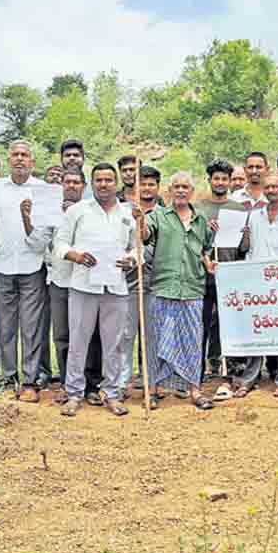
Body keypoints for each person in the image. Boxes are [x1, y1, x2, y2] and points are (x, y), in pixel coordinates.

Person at [55, 163, 139, 417]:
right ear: (92, 184)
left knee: (114, 343)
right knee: (78, 341)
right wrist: (76, 256)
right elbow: (59, 244)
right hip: (83, 285)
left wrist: (132, 260)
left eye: (108, 180)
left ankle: (112, 393)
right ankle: (74, 394)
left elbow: (137, 247)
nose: (103, 184)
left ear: (116, 183)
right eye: (99, 180)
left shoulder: (128, 213)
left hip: (116, 286)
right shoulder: (78, 211)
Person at [139, 172, 216, 410]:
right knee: (158, 340)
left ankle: (195, 390)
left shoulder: (201, 220)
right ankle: (152, 390)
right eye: (177, 187)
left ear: (192, 192)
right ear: (169, 191)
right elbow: (144, 237)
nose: (181, 190)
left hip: (193, 287)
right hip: (164, 286)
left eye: (185, 187)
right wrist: (139, 221)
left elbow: (205, 249)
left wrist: (209, 264)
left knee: (192, 340)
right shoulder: (158, 216)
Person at [0, 140, 53, 403]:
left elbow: (45, 236)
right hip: (2, 265)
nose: (20, 159)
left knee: (31, 327)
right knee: (5, 326)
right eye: (15, 154)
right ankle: (9, 377)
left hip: (32, 266)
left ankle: (29, 381)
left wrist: (28, 220)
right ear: (8, 160)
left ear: (32, 162)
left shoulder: (43, 189)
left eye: (24, 155)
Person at [233, 172, 278, 399]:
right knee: (257, 330)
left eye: (275, 186)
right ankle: (249, 379)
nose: (271, 190)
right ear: (263, 190)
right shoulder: (253, 217)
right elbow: (246, 250)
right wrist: (244, 239)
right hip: (257, 283)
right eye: (267, 187)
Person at [47, 169, 103, 402]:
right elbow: (44, 244)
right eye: (67, 182)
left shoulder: (95, 210)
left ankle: (91, 385)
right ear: (61, 185)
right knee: (63, 335)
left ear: (84, 186)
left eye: (76, 182)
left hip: (88, 281)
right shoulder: (50, 211)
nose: (71, 185)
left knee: (91, 335)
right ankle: (67, 383)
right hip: (60, 280)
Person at [194, 160, 246, 396]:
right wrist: (208, 233)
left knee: (229, 325)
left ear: (230, 181)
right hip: (202, 277)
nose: (220, 182)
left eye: (224, 178)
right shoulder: (199, 208)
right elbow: (193, 241)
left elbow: (244, 248)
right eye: (216, 178)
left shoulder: (239, 209)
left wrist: (246, 235)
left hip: (230, 276)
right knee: (201, 325)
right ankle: (197, 371)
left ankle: (230, 371)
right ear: (210, 180)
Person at [122, 165, 162, 394]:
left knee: (152, 334)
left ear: (158, 187)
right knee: (126, 333)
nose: (147, 188)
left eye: (151, 184)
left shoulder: (165, 214)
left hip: (156, 280)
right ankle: (122, 383)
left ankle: (151, 382)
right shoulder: (123, 212)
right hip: (129, 280)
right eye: (142, 184)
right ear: (135, 187)